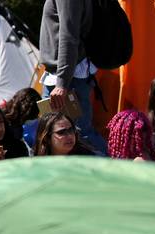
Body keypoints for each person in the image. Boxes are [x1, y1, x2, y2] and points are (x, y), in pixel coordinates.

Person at [39, 0, 107, 154]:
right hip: (67, 76)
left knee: (78, 135)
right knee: (62, 135)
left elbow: (69, 37)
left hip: (67, 78)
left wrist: (62, 83)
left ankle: (110, 170)